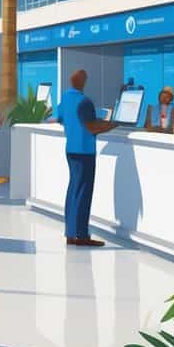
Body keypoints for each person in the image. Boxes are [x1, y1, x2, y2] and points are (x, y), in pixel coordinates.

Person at [58, 69, 118, 247]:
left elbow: (61, 118)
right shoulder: (84, 101)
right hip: (84, 151)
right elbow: (92, 128)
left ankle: (70, 233)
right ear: (83, 81)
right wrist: (111, 124)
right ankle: (81, 235)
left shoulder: (66, 99)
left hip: (71, 149)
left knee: (73, 190)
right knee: (83, 193)